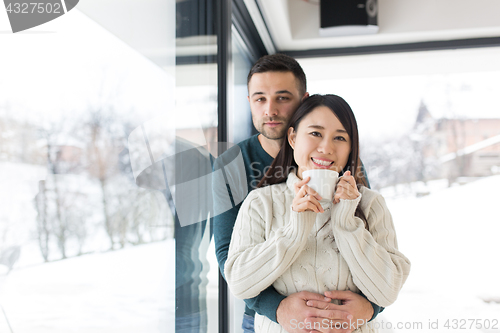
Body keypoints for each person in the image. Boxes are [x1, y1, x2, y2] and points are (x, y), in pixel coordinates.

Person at [213, 54, 383, 333]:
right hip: (269, 318)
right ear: (249, 103)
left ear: (304, 100)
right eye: (259, 99)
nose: (270, 110)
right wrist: (277, 309)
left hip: (342, 318)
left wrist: (370, 307)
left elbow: (372, 237)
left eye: (282, 98)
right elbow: (226, 254)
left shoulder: (337, 159)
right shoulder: (231, 164)